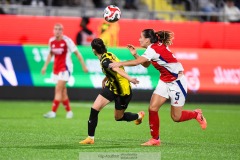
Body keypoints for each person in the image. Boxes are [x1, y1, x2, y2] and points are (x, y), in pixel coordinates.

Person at [109, 29, 207, 146]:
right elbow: (146, 64)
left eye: (141, 37)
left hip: (177, 82)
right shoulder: (153, 47)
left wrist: (118, 64)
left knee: (176, 117)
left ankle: (196, 114)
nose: (139, 39)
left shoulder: (154, 49)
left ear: (147, 39)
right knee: (153, 108)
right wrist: (135, 54)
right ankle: (155, 139)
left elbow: (138, 62)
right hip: (164, 81)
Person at [79, 38, 145, 144]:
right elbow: (116, 68)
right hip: (111, 87)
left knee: (118, 117)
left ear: (93, 50)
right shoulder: (109, 54)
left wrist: (130, 79)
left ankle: (139, 116)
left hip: (123, 90)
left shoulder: (105, 61)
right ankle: (90, 138)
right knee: (94, 109)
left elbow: (117, 69)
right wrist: (106, 78)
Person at [41, 23, 88, 119]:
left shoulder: (67, 41)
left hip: (66, 68)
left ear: (62, 31)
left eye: (59, 29)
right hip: (56, 69)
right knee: (63, 92)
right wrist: (45, 66)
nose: (57, 31)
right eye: (55, 29)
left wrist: (84, 66)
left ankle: (53, 112)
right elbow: (50, 54)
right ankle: (69, 112)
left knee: (58, 89)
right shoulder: (51, 41)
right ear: (53, 30)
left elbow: (77, 53)